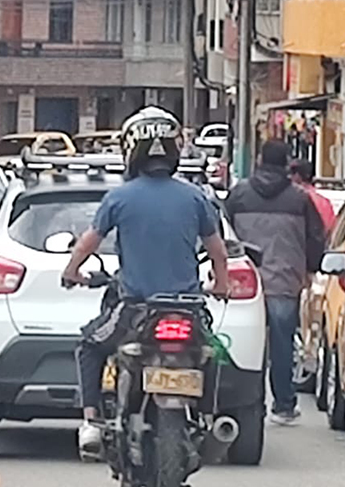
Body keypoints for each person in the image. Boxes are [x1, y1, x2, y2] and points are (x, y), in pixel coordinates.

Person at [62, 107, 231, 460]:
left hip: (136, 310)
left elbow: (87, 243)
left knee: (89, 345)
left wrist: (72, 272)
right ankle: (208, 417)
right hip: (188, 309)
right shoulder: (195, 197)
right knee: (210, 352)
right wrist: (221, 284)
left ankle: (91, 421)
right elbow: (217, 251)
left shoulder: (119, 198)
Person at [225, 141, 326, 426]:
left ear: (259, 159)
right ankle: (283, 405)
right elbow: (316, 238)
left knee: (245, 343)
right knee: (283, 346)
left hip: (244, 284)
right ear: (287, 164)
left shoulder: (239, 194)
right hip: (285, 281)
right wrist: (310, 269)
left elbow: (222, 234)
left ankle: (245, 402)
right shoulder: (300, 199)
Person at [290, 158, 337, 234]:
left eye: (290, 173)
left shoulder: (292, 199)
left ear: (297, 176)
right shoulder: (323, 202)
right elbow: (331, 228)